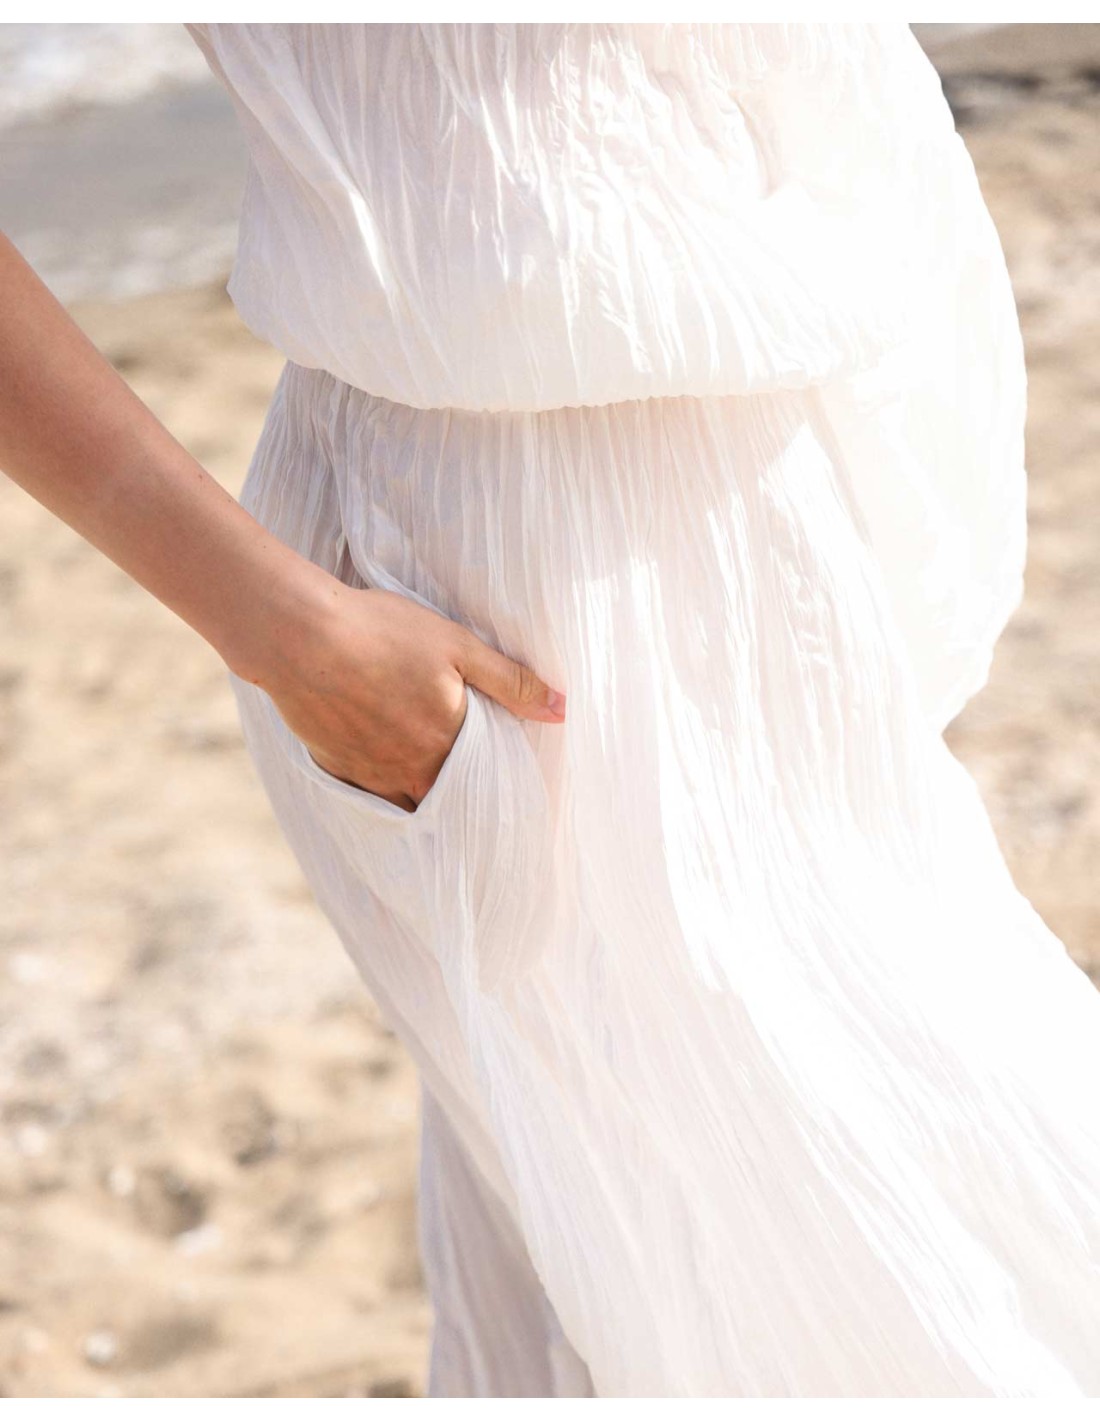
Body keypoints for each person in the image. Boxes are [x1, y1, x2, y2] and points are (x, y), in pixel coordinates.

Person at [3, 21, 1100, 1399]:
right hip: (505, 596)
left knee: (749, 1249)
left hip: (767, 540)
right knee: (849, 1273)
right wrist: (283, 629)